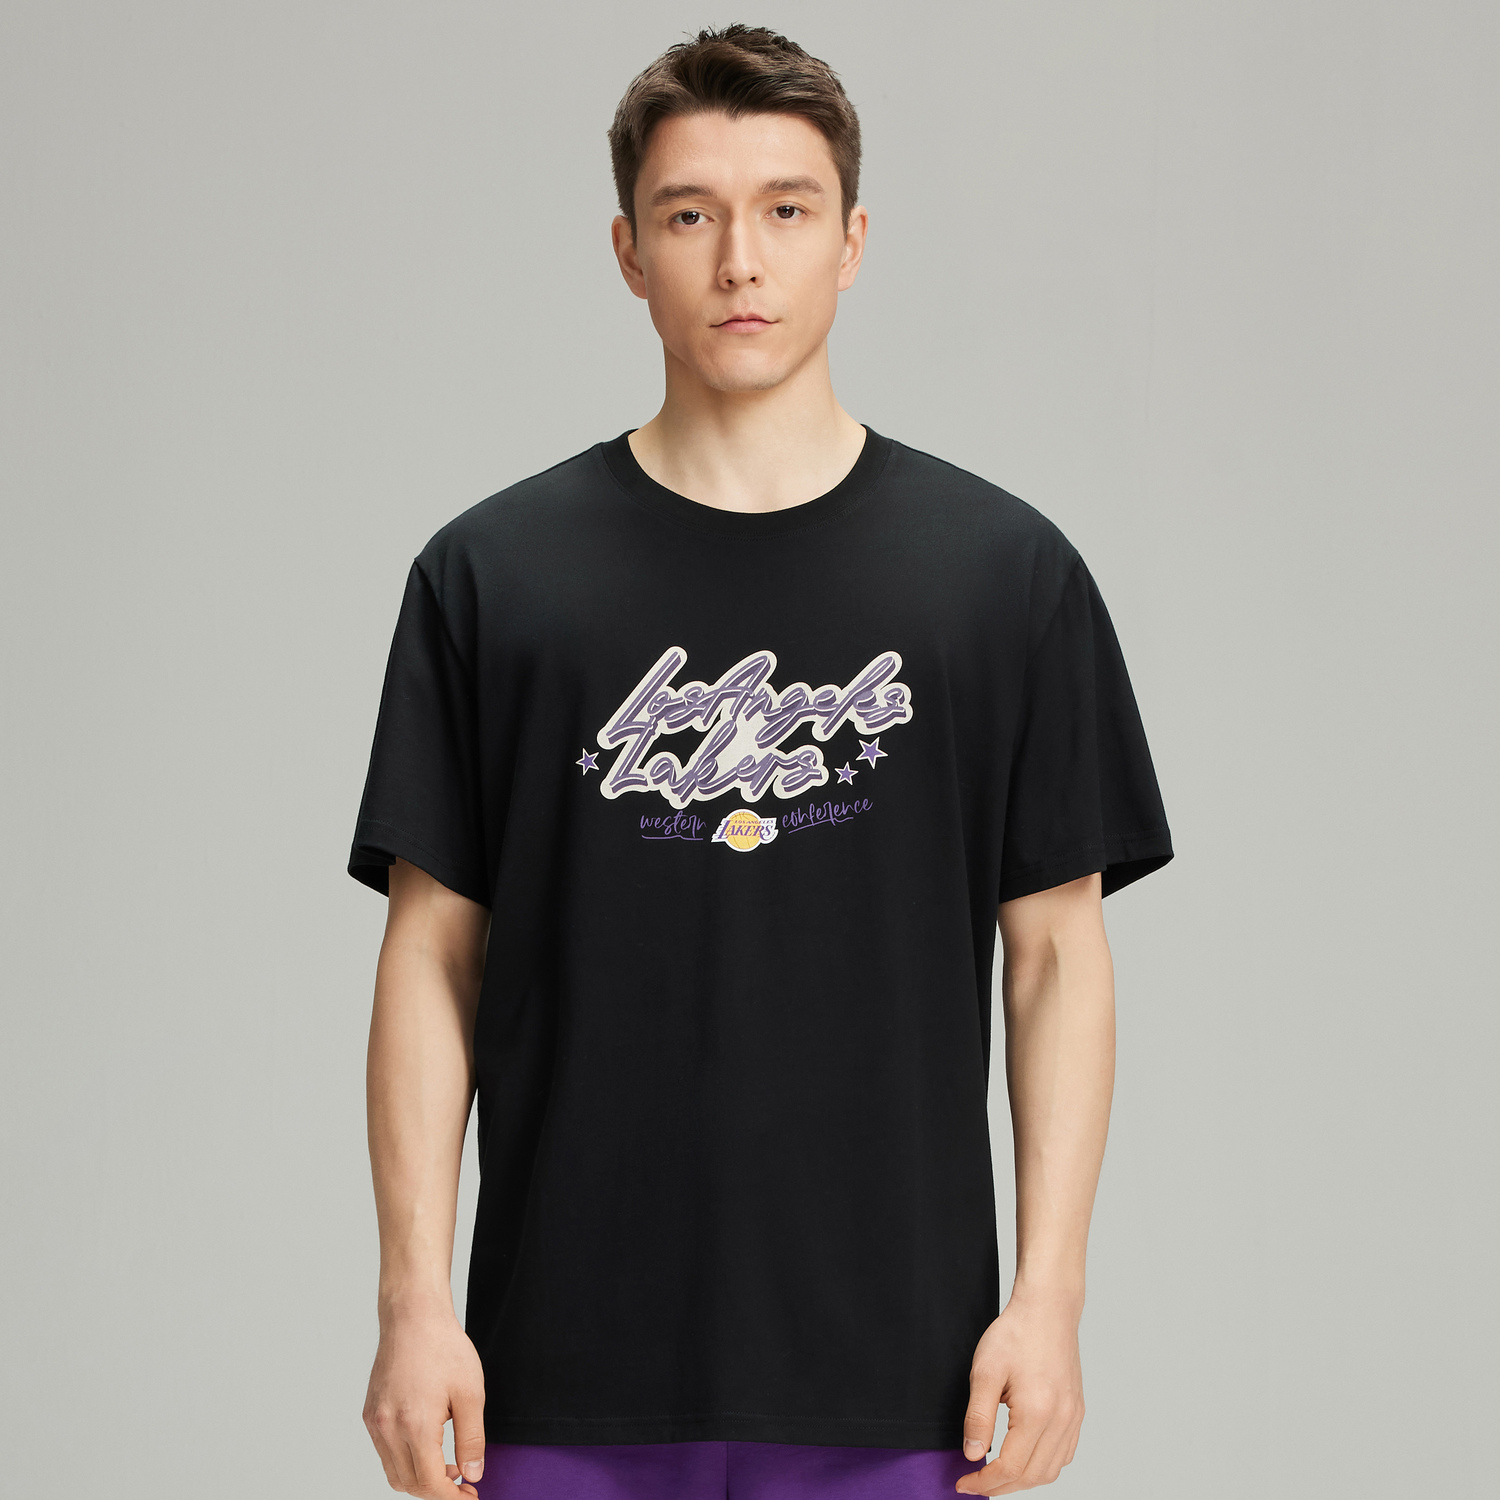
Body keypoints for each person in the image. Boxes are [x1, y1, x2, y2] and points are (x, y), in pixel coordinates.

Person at [349, 23, 1173, 1500]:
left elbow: (1057, 956)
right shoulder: (493, 579)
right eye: (691, 215)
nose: (741, 260)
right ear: (627, 252)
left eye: (786, 209)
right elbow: (431, 956)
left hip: (903, 1383)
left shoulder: (1003, 578)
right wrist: (414, 1304)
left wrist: (1049, 1302)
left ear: (851, 242)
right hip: (560, 1375)